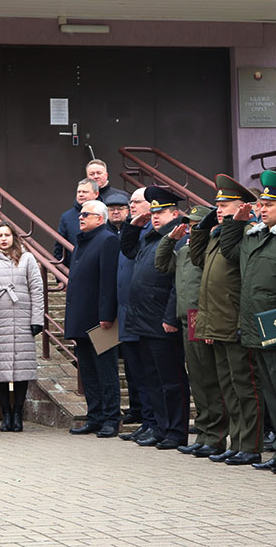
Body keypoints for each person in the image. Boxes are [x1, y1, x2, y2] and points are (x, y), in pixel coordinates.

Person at [220, 171, 276, 475]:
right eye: (261, 203)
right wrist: (236, 221)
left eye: (269, 204)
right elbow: (229, 251)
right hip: (254, 327)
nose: (261, 208)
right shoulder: (255, 236)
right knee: (271, 393)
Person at [190, 175, 265, 466]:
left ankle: (250, 444)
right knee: (229, 388)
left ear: (243, 207)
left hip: (234, 320)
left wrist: (234, 222)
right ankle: (235, 442)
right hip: (216, 321)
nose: (219, 209)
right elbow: (197, 259)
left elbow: (241, 273)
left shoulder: (246, 233)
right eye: (217, 204)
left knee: (245, 386)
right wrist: (205, 223)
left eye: (226, 204)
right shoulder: (218, 234)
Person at [120, 187, 191, 450]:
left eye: (161, 212)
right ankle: (161, 428)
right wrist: (132, 224)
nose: (155, 216)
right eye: (154, 212)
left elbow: (178, 282)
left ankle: (176, 431)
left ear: (174, 212)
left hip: (163, 320)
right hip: (144, 319)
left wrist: (171, 316)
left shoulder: (179, 237)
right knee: (154, 379)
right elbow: (127, 250)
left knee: (171, 380)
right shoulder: (150, 236)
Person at [156, 204, 228, 459]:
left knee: (210, 380)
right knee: (198, 381)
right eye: (191, 225)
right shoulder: (185, 250)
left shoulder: (208, 250)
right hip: (187, 318)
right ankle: (204, 433)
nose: (193, 229)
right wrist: (169, 239)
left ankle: (216, 436)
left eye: (198, 225)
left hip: (202, 316)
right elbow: (162, 264)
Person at [0, 221, 44, 432]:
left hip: (22, 320)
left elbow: (37, 290)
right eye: (0, 235)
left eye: (7, 235)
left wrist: (37, 319)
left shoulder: (27, 258)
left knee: (21, 370)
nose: (4, 239)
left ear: (14, 237)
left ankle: (18, 414)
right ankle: (5, 414)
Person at [62, 199, 121, 438]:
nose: (80, 217)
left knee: (106, 371)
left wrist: (107, 315)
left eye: (86, 214)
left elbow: (108, 280)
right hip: (81, 319)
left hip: (99, 320)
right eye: (80, 214)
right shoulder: (82, 243)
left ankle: (110, 418)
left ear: (100, 218)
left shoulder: (107, 240)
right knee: (87, 372)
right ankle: (94, 416)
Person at [118, 187, 154, 440]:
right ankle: (146, 419)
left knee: (151, 375)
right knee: (137, 373)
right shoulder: (134, 230)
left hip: (149, 314)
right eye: (130, 201)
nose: (132, 205)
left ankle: (155, 422)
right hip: (130, 313)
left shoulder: (154, 232)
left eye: (137, 202)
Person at [55, 178, 100, 267]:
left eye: (85, 192)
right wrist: (60, 278)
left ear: (96, 194)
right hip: (74, 269)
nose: (81, 195)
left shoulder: (104, 213)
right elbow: (59, 249)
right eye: (79, 192)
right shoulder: (67, 216)